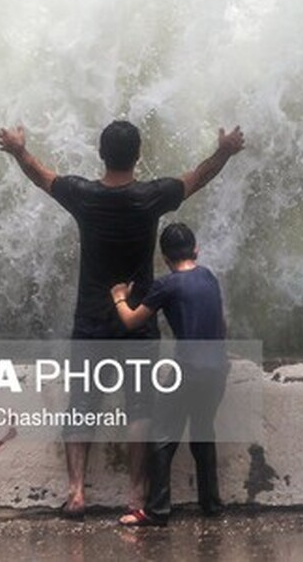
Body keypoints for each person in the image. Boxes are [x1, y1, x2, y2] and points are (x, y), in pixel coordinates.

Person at [0, 120, 244, 521]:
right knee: (139, 408)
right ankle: (136, 496)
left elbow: (41, 177)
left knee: (82, 404)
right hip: (139, 321)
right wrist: (226, 151)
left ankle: (76, 494)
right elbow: (199, 177)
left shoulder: (83, 195)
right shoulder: (150, 197)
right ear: (139, 155)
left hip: (92, 319)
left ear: (100, 153)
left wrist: (19, 149)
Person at [110, 222, 228, 527]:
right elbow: (221, 324)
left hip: (188, 371)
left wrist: (119, 297)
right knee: (203, 433)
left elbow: (132, 322)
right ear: (196, 250)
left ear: (164, 257)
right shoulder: (209, 277)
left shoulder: (167, 285)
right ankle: (211, 504)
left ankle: (156, 509)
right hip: (217, 369)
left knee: (162, 437)